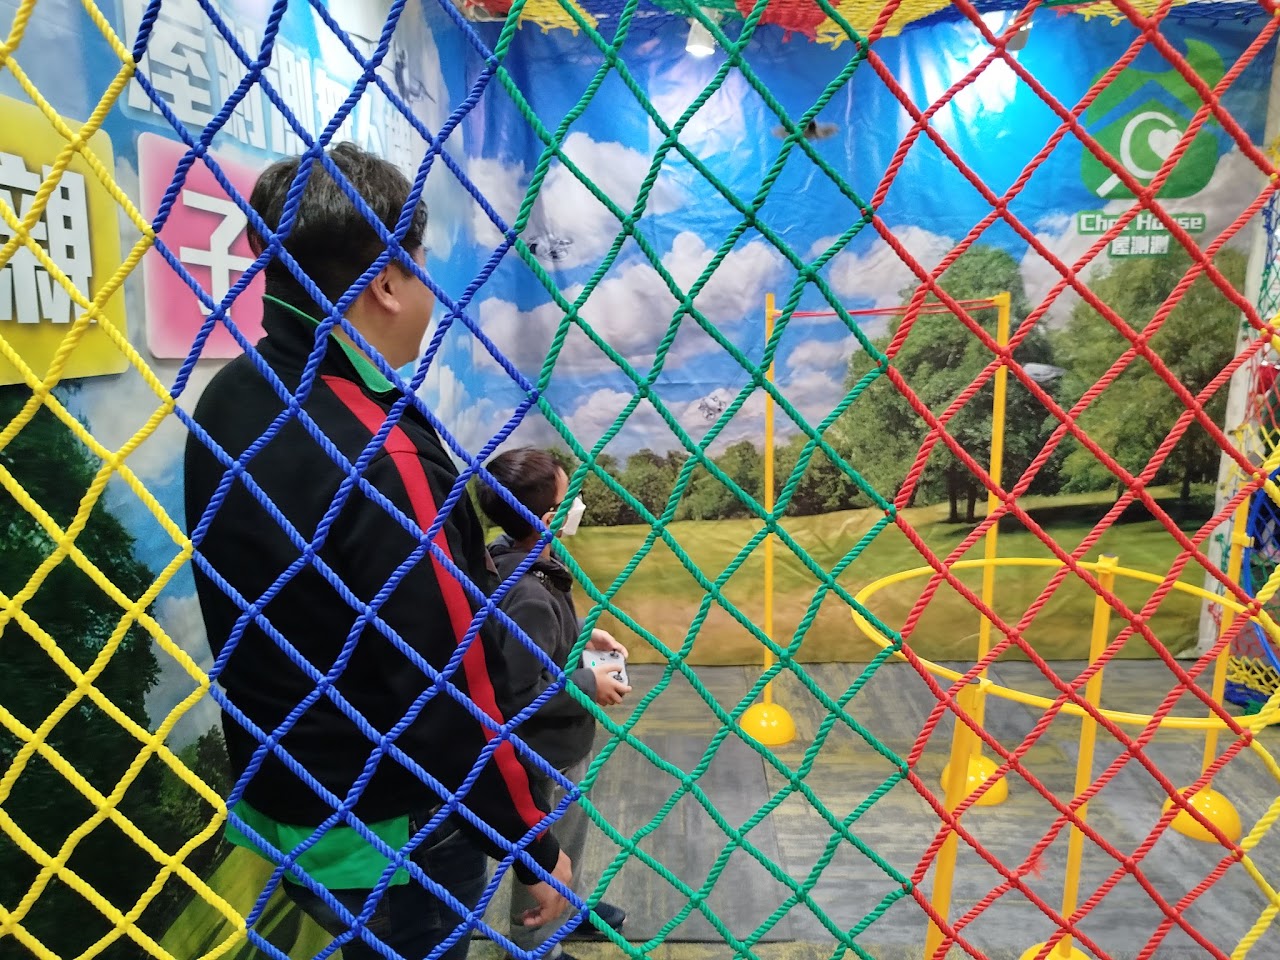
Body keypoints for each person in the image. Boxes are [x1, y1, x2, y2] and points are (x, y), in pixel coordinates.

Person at [183, 143, 571, 960]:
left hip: (287, 804)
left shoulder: (232, 394)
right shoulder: (381, 454)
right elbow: (448, 687)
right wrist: (533, 845)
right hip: (393, 838)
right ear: (388, 282)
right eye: (421, 267)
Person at [477, 448, 631, 958]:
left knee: (569, 839)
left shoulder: (523, 560)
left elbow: (533, 646)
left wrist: (584, 637)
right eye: (570, 497)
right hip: (546, 754)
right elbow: (520, 693)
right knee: (547, 847)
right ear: (547, 519)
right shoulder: (527, 593)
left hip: (558, 746)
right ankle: (535, 943)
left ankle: (568, 904)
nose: (578, 504)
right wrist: (588, 683)